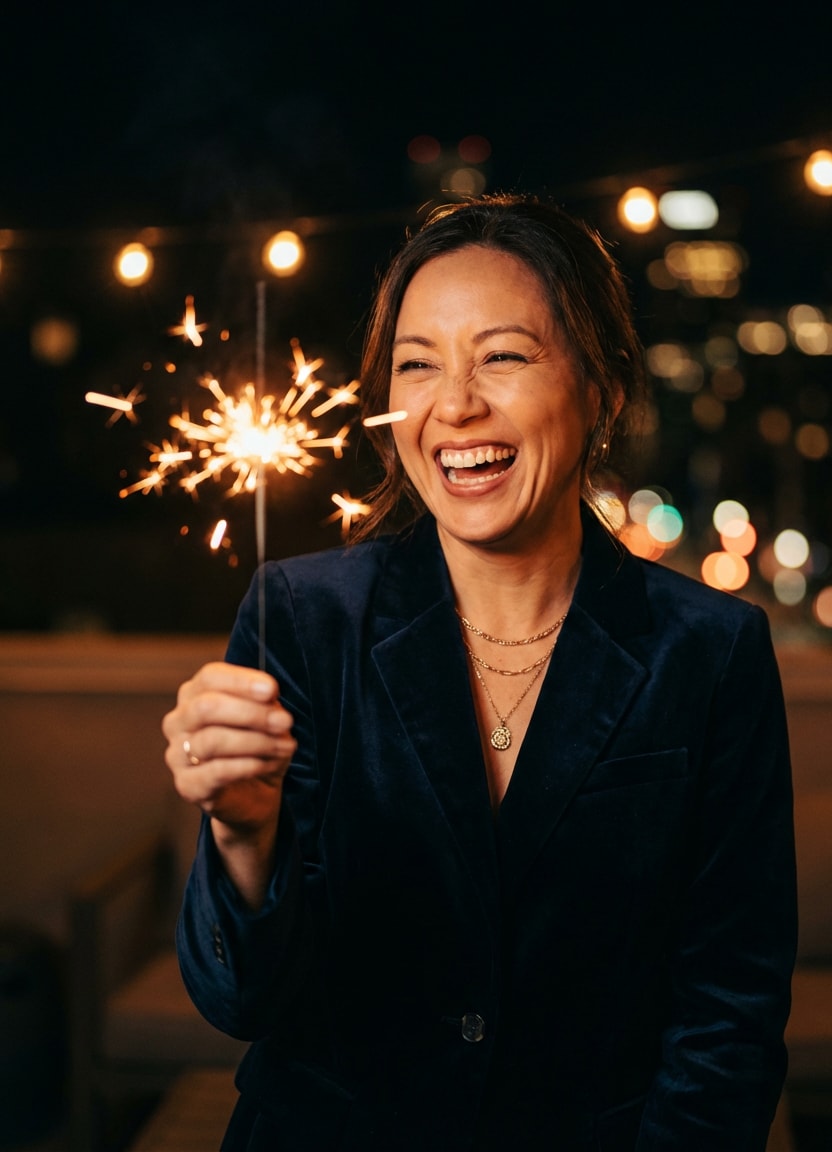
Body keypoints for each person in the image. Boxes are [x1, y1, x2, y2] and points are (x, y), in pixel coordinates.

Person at [163, 192, 796, 1151]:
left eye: (502, 355)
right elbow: (242, 1001)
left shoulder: (709, 653)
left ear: (603, 388)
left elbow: (728, 1022)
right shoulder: (301, 618)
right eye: (418, 366)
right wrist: (245, 837)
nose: (453, 405)